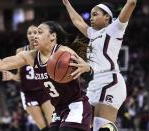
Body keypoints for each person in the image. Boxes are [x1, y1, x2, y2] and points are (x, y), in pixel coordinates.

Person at [0, 19, 93, 131]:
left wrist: (87, 68)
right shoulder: (29, 56)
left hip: (76, 105)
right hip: (59, 109)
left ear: (52, 36)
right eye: (34, 33)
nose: (35, 36)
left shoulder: (64, 53)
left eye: (40, 32)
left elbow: (88, 68)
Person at [63, 0, 137, 130]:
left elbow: (131, 3)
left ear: (107, 16)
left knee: (99, 126)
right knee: (84, 125)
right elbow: (78, 21)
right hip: (93, 84)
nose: (91, 18)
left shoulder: (114, 29)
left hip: (110, 82)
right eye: (91, 15)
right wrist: (67, 4)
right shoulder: (92, 34)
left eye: (95, 14)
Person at [2, 25, 54, 131]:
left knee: (53, 125)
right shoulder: (20, 51)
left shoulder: (46, 50)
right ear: (26, 36)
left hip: (45, 90)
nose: (32, 35)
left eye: (35, 32)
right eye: (29, 33)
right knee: (43, 127)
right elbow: (20, 76)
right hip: (29, 93)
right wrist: (12, 76)